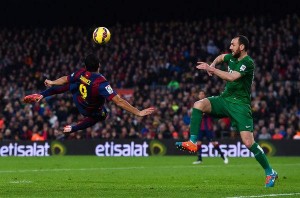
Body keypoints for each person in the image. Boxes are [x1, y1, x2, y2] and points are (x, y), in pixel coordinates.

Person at [175, 35, 278, 187]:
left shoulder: (248, 62)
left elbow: (231, 77)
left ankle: (270, 172)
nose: (230, 47)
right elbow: (221, 57)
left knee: (249, 142)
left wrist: (211, 69)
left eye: (233, 44)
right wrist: (213, 63)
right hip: (225, 99)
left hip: (240, 106)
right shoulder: (231, 57)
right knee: (198, 104)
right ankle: (192, 142)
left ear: (242, 47)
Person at [23, 54, 155, 133]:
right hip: (90, 110)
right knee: (103, 114)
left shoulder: (81, 73)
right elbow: (119, 101)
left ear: (85, 67)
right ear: (99, 65)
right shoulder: (101, 83)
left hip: (79, 100)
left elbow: (65, 79)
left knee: (72, 83)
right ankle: (73, 128)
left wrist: (52, 82)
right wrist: (138, 112)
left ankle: (42, 94)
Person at [192, 90, 228, 165]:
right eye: (200, 94)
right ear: (198, 96)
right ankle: (199, 159)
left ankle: (223, 156)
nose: (201, 95)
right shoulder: (196, 104)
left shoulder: (208, 103)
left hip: (208, 128)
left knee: (214, 143)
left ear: (204, 95)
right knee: (198, 143)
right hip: (200, 128)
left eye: (203, 94)